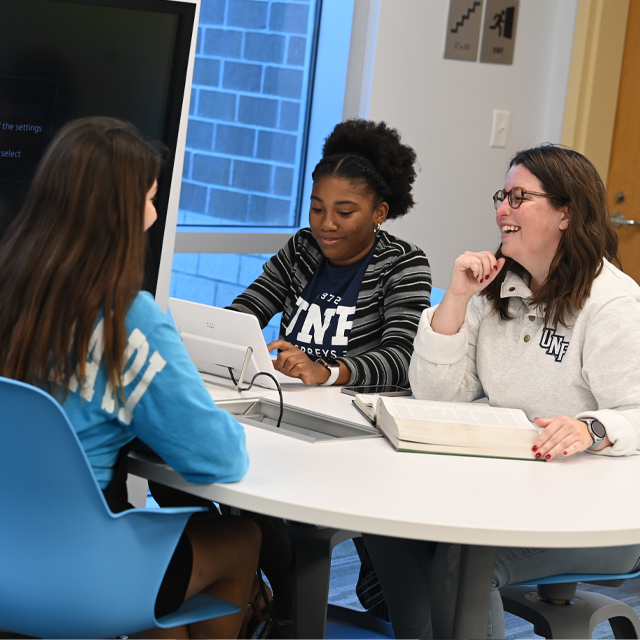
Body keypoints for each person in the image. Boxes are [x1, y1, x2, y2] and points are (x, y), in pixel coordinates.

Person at [362, 145, 640, 639]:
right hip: (502, 488)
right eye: (502, 196)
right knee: (388, 524)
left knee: (464, 560)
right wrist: (456, 298)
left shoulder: (613, 305)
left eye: (519, 197)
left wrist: (590, 427)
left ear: (566, 213)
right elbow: (438, 398)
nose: (501, 210)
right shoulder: (494, 289)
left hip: (601, 514)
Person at [0, 116, 261, 640]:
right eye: (148, 198)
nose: (154, 213)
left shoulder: (11, 291)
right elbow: (219, 458)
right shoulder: (129, 320)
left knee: (152, 554)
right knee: (243, 538)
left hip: (10, 560)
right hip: (85, 575)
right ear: (117, 215)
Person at [229, 118, 432, 387]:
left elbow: (403, 358)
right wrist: (217, 335)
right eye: (317, 208)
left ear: (379, 213)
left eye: (344, 212)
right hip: (288, 399)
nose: (326, 224)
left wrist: (325, 371)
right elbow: (247, 310)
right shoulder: (303, 248)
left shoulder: (402, 262)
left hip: (355, 413)